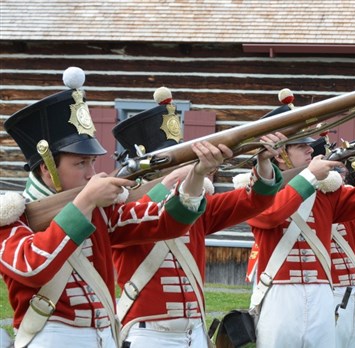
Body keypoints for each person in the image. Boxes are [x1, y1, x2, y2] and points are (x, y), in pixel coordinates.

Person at [0, 68, 210, 348]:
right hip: (51, 338)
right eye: (80, 163)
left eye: (91, 162)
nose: (91, 172)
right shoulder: (11, 217)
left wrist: (196, 175)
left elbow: (167, 222)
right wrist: (85, 201)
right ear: (47, 168)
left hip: (104, 334)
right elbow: (33, 267)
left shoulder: (99, 211)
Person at [109, 87, 284, 348]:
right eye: (174, 164)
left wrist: (264, 162)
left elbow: (253, 200)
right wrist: (168, 182)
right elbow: (150, 215)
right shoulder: (122, 212)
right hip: (149, 333)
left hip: (195, 330)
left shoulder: (196, 207)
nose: (183, 169)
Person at [242, 118, 355, 346]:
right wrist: (309, 176)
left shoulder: (327, 193)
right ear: (279, 155)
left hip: (322, 293)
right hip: (279, 294)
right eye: (301, 146)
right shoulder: (255, 191)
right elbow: (270, 215)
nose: (310, 149)